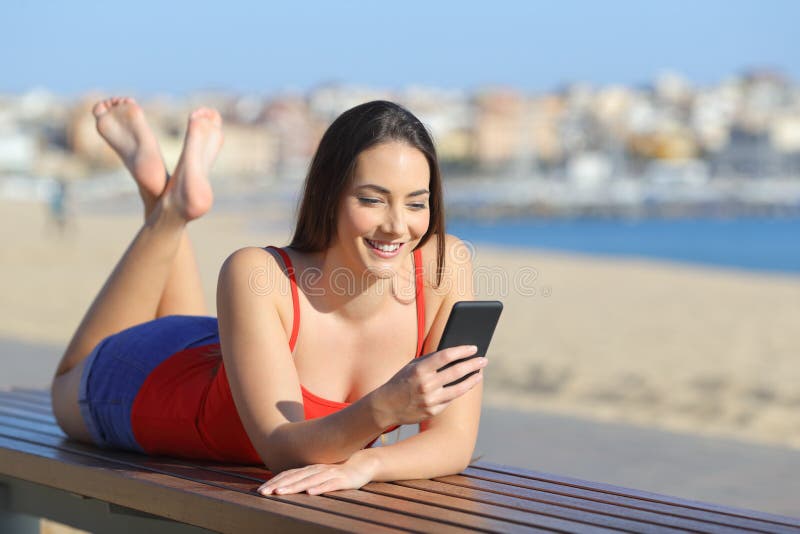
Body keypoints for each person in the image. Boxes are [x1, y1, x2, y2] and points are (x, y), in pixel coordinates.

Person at [50, 97, 486, 496]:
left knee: (213, 355)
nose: (397, 226)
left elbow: (454, 441)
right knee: (65, 384)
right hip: (141, 383)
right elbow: (281, 449)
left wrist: (367, 463)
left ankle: (172, 198)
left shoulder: (447, 267)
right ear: (328, 195)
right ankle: (167, 211)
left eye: (416, 203)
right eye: (372, 200)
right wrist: (387, 406)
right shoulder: (257, 272)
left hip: (225, 358)